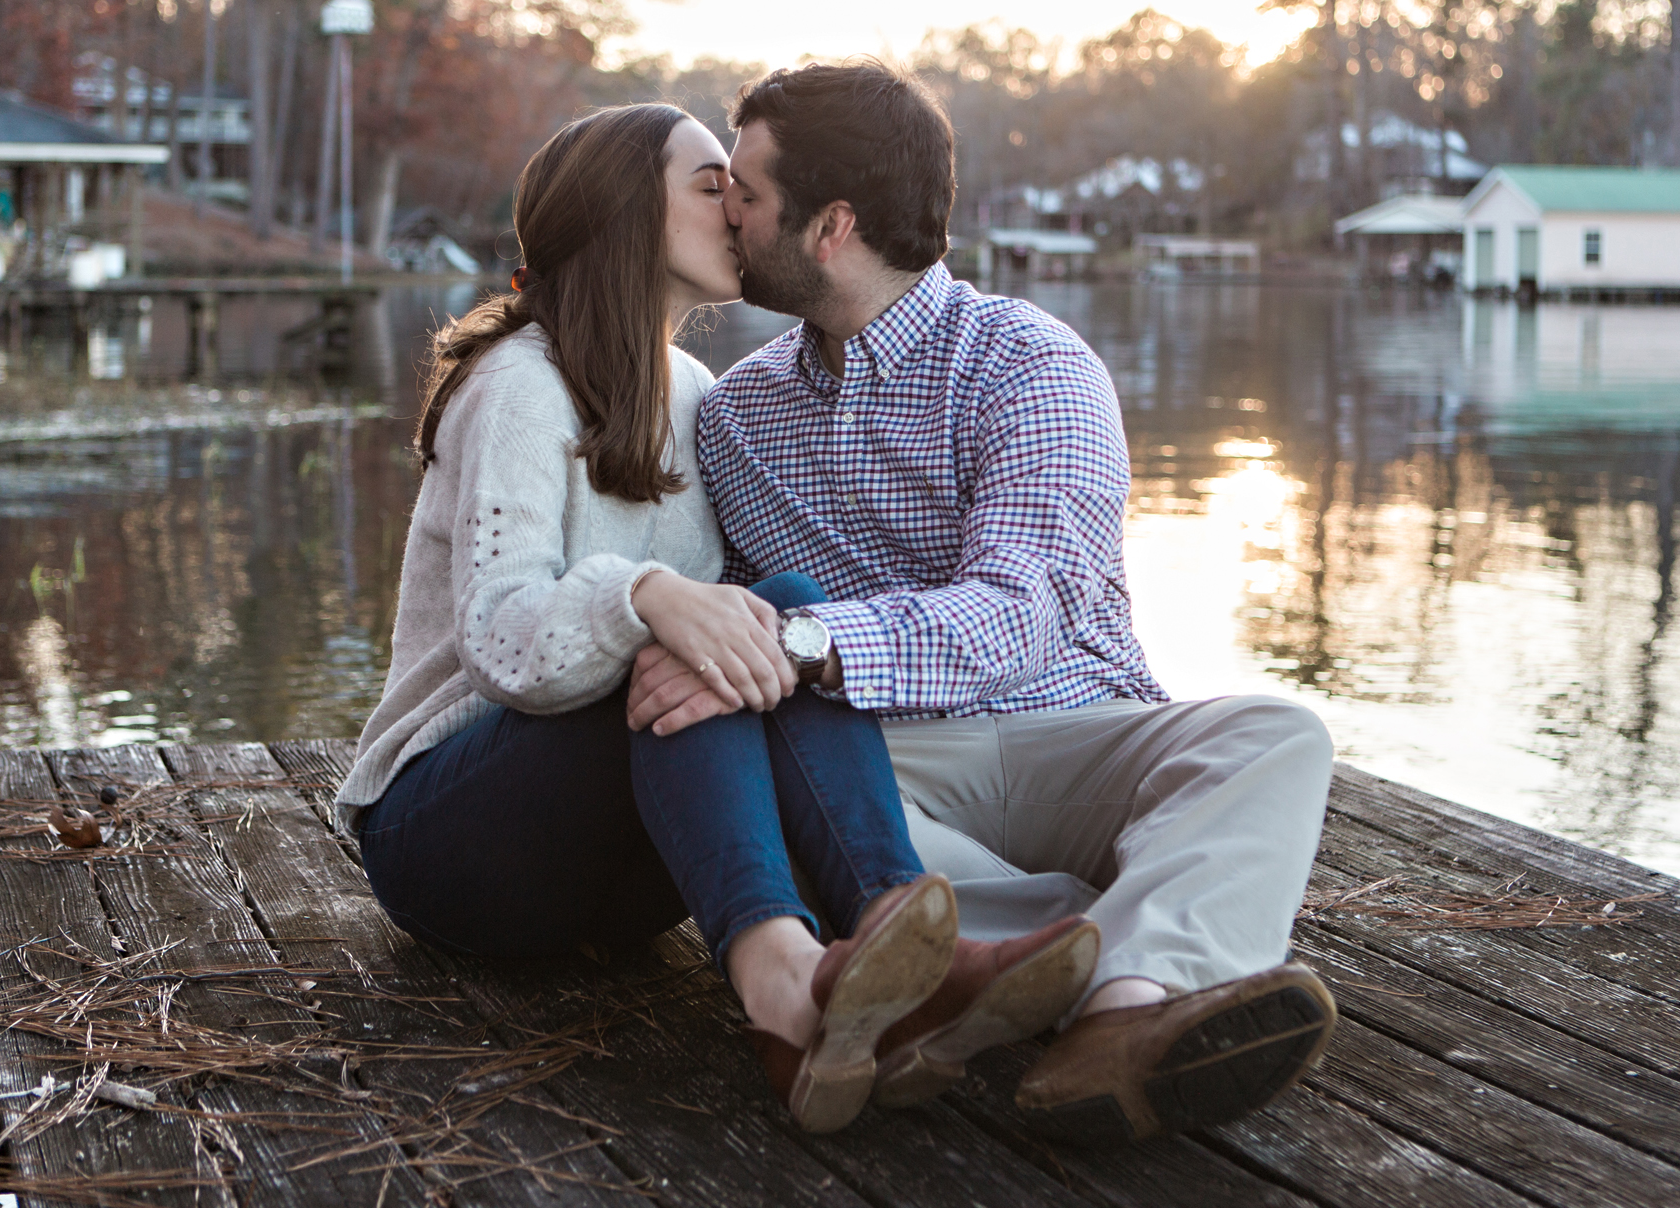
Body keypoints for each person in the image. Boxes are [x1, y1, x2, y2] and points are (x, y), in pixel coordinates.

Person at [334, 103, 1098, 1135]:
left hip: (617, 874)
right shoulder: (520, 384)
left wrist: (737, 627)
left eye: (742, 188)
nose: (739, 210)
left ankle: (889, 935)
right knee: (718, 630)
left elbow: (751, 632)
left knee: (784, 613)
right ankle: (786, 986)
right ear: (625, 214)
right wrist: (644, 597)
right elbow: (505, 643)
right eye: (711, 186)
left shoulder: (701, 396)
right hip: (454, 840)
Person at [625, 62, 1339, 1147]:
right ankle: (1102, 956)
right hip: (889, 765)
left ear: (831, 227)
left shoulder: (1028, 364)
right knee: (796, 803)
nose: (726, 207)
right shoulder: (735, 421)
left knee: (1275, 735)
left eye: (748, 193)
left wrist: (798, 636)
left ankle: (1115, 1017)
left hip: (1078, 731)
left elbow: (1017, 615)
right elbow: (723, 613)